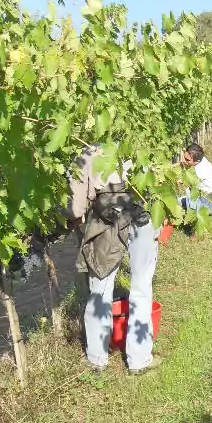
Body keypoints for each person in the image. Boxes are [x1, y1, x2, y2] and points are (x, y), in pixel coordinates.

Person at [68, 146, 160, 374]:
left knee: (100, 287)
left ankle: (97, 359)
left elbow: (75, 208)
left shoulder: (87, 153)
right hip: (143, 219)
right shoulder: (141, 142)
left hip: (107, 225)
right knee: (141, 286)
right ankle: (139, 360)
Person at [180, 143, 212, 215]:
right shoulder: (202, 161)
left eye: (187, 160)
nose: (184, 160)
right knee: (179, 200)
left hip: (211, 203)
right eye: (184, 157)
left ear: (197, 161)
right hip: (208, 198)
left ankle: (192, 217)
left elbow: (183, 182)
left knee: (189, 191)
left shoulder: (201, 170)